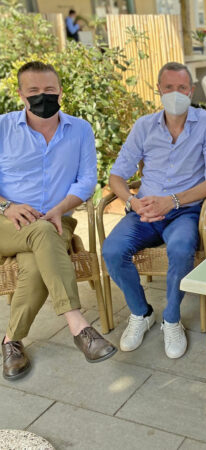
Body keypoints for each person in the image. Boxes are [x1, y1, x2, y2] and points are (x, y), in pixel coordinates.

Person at [0, 61, 117, 380]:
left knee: (36, 261)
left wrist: (60, 208)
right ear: (21, 94)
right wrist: (7, 206)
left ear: (60, 92)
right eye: (34, 90)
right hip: (5, 223)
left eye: (49, 90)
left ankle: (11, 342)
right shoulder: (3, 127)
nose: (43, 96)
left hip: (54, 221)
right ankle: (78, 325)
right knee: (41, 234)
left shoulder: (79, 129)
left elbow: (86, 180)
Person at [102, 62, 206, 359]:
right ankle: (141, 313)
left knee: (181, 249)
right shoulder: (144, 126)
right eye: (169, 87)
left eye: (182, 88)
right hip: (143, 210)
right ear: (159, 89)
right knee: (112, 251)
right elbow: (116, 176)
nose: (175, 93)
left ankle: (171, 318)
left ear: (191, 91)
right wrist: (132, 202)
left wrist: (173, 201)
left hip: (184, 212)